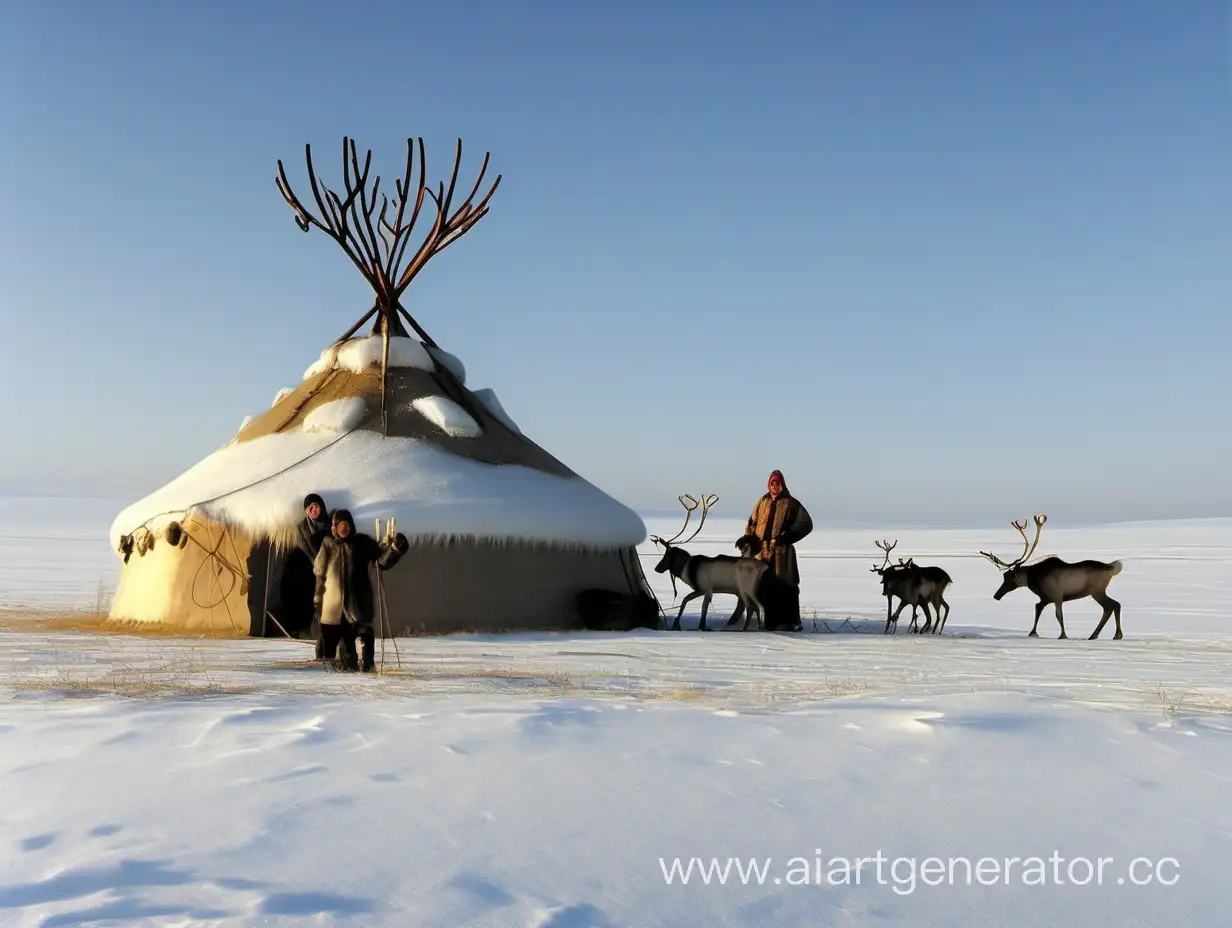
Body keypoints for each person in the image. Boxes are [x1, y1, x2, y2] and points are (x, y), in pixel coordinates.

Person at [312, 508, 409, 672]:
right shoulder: (328, 544)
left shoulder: (362, 542)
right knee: (346, 660)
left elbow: (381, 562)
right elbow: (319, 572)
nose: (345, 528)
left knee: (366, 648)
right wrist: (318, 597)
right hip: (338, 608)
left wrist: (395, 549)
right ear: (334, 527)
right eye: (341, 524)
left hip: (360, 602)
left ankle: (368, 668)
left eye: (347, 524)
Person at [744, 469, 813, 631]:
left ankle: (791, 623)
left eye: (778, 484)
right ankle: (770, 623)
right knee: (765, 587)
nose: (775, 487)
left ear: (782, 485)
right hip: (762, 553)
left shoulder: (790, 503)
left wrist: (785, 538)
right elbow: (752, 522)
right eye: (772, 484)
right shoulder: (762, 501)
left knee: (786, 587)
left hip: (782, 554)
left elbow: (806, 524)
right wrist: (750, 542)